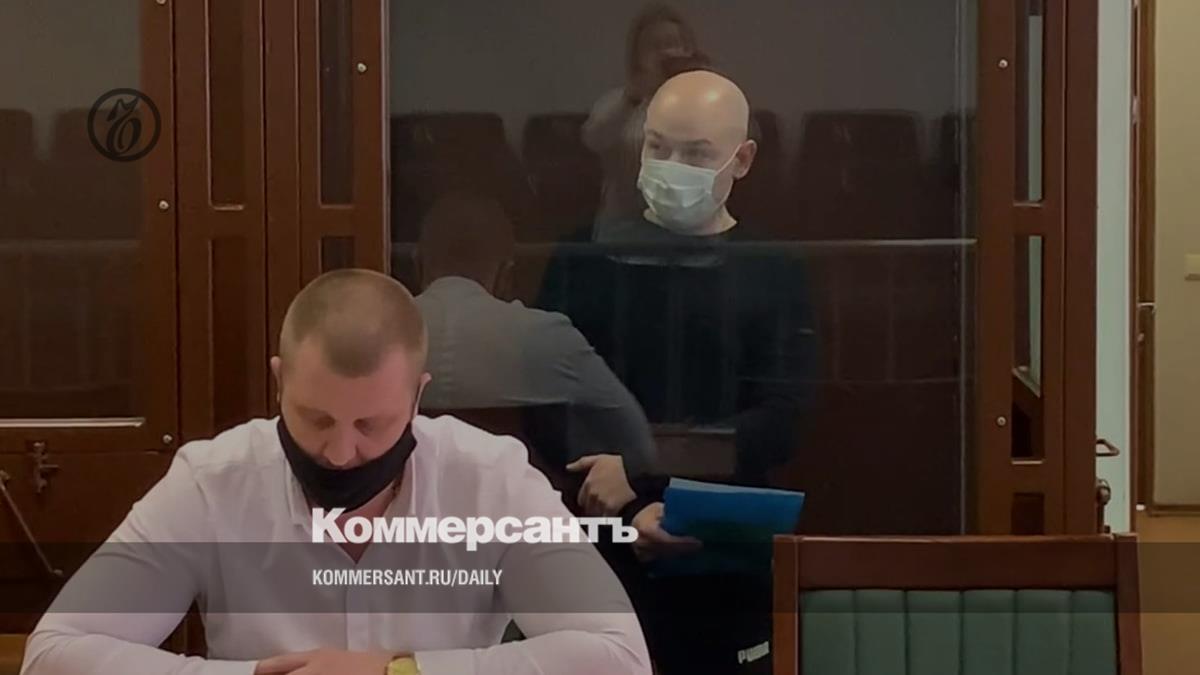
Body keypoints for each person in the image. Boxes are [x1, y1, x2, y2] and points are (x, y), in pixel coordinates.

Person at [21, 270, 651, 675]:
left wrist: (401, 671)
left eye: (372, 424)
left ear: (418, 395)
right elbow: (54, 654)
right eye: (316, 418)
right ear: (279, 382)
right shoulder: (211, 480)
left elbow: (619, 656)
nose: (342, 452)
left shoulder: (492, 478)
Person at [553, 70, 818, 675]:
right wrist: (630, 509)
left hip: (723, 555)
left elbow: (781, 423)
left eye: (696, 154)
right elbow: (555, 408)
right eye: (658, 146)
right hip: (603, 547)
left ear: (741, 160)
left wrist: (645, 468)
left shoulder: (774, 269)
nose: (671, 166)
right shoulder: (585, 259)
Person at [413, 192, 658, 481]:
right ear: (507, 273)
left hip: (405, 505)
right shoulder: (548, 336)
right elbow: (639, 448)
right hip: (521, 505)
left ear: (417, 263)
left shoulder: (382, 336)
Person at [583, 3, 709, 231]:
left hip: (692, 233)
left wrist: (708, 90)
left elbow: (745, 136)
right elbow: (593, 139)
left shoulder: (707, 100)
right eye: (655, 46)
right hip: (627, 230)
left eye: (674, 44)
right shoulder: (619, 101)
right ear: (637, 56)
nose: (666, 53)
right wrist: (632, 99)